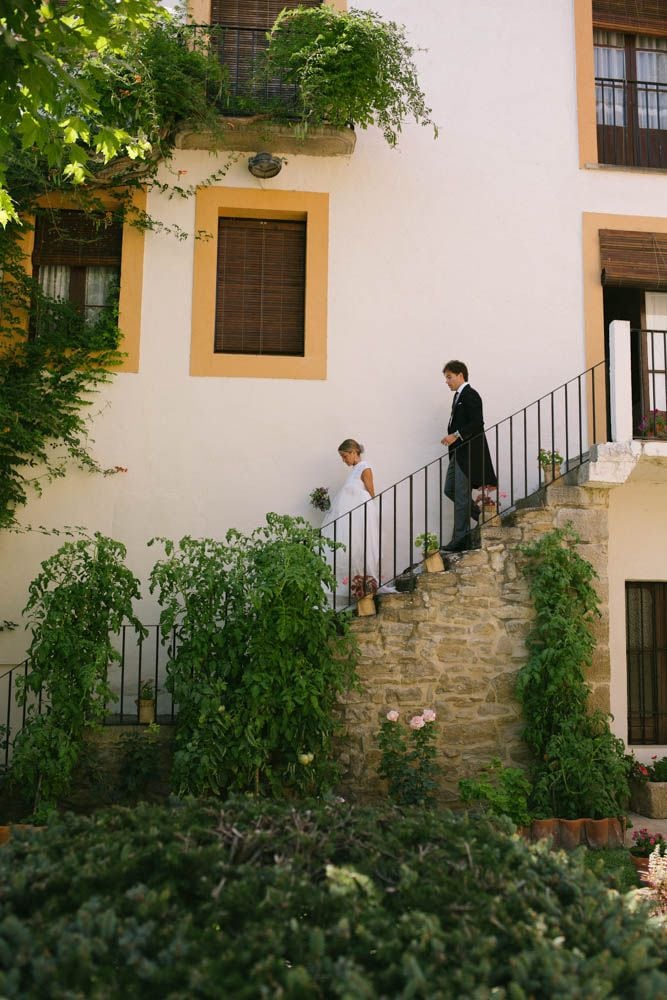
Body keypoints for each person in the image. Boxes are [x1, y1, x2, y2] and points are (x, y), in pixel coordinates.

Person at [440, 360, 497, 552]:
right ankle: (482, 515)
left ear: (460, 375)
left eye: (449, 377)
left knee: (462, 496)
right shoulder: (458, 396)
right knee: (450, 489)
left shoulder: (470, 394)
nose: (447, 381)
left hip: (468, 453)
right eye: (446, 378)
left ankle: (460, 539)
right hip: (458, 452)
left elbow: (477, 423)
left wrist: (454, 435)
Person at [325, 439, 379, 599]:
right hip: (351, 518)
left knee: (359, 546)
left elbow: (370, 492)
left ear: (354, 452)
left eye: (344, 456)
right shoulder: (354, 470)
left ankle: (366, 586)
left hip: (360, 515)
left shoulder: (365, 467)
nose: (343, 460)